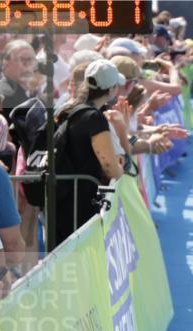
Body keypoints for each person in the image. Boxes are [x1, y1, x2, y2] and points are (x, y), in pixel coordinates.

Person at [53, 59, 124, 243]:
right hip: (81, 201)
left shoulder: (69, 109)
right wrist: (121, 168)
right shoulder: (94, 118)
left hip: (62, 196)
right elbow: (109, 166)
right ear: (110, 91)